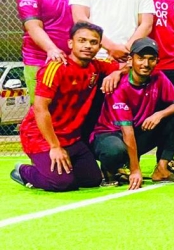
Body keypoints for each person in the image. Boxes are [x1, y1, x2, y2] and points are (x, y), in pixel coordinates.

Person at [11, 23, 119, 191]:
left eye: (93, 42)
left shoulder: (97, 66)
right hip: (40, 136)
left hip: (71, 138)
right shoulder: (56, 68)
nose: (87, 46)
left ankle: (54, 168)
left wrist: (117, 73)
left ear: (99, 47)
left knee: (92, 179)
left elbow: (128, 66)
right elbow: (40, 109)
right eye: (82, 40)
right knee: (62, 183)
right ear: (70, 43)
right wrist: (54, 147)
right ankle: (24, 171)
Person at [90, 38, 174, 188]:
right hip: (110, 134)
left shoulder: (158, 76)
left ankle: (162, 169)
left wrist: (159, 115)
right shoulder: (119, 87)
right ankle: (110, 170)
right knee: (114, 151)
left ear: (157, 61)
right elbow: (127, 131)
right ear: (130, 60)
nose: (146, 64)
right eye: (141, 58)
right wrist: (135, 170)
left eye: (151, 59)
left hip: (138, 130)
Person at [18, 0, 74, 102]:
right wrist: (52, 49)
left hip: (71, 61)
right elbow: (33, 26)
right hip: (39, 61)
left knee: (70, 110)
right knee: (42, 111)